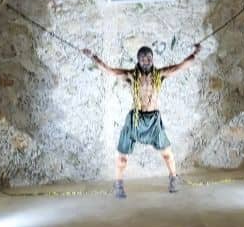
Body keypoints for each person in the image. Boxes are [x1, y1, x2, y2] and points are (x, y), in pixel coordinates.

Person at [82, 43, 202, 198]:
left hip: (153, 120)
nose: (146, 61)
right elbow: (110, 71)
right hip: (135, 119)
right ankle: (118, 184)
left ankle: (173, 178)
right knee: (122, 156)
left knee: (167, 153)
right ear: (138, 60)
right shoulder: (131, 75)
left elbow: (180, 67)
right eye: (143, 59)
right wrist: (93, 56)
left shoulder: (159, 74)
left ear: (152, 59)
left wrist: (196, 52)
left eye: (149, 58)